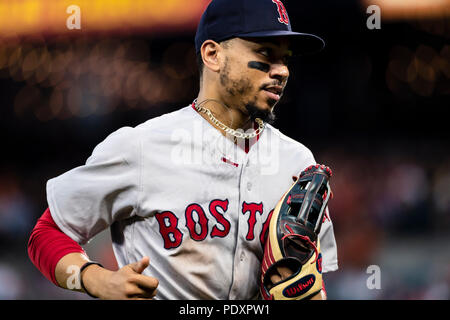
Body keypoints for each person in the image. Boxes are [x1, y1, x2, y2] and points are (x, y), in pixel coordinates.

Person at [28, 0, 338, 300]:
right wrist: (94, 279)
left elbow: (311, 281)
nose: (281, 70)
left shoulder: (297, 161)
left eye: (285, 58)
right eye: (265, 53)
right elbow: (48, 232)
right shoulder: (141, 147)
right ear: (213, 55)